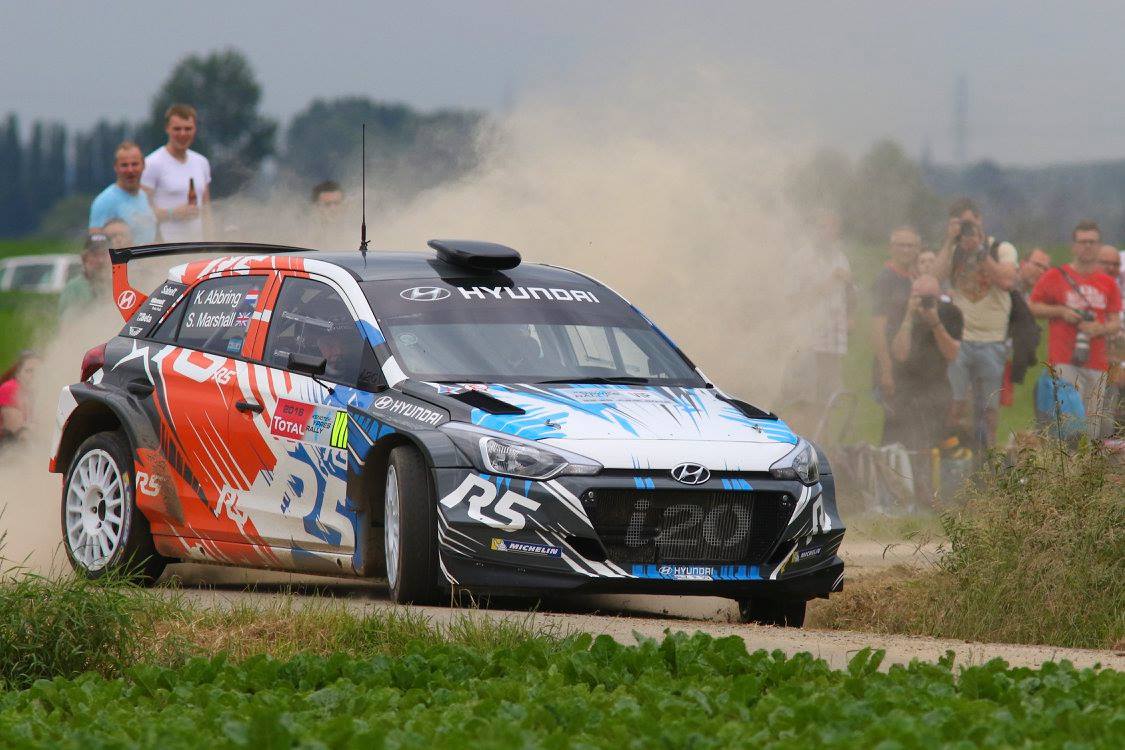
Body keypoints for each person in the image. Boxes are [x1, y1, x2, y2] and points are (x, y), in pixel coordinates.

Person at [1029, 220, 1122, 438]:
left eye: (1092, 242)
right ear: (1073, 246)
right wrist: (1062, 312)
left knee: (1090, 429)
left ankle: (1083, 460)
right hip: (1064, 360)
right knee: (1069, 425)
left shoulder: (1108, 283)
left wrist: (1099, 329)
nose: (1087, 246)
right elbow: (1033, 306)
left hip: (1097, 362)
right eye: (1082, 242)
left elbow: (1115, 322)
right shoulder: (1056, 276)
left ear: (1099, 246)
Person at [885, 275, 963, 508]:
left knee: (930, 442)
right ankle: (902, 496)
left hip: (936, 388)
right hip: (905, 389)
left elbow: (952, 353)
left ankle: (930, 495)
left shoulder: (951, 314)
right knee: (900, 443)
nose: (923, 303)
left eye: (929, 298)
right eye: (919, 297)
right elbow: (899, 353)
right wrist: (909, 317)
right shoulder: (899, 312)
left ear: (939, 297)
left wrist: (935, 322)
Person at [945, 220, 1015, 451]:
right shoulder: (952, 250)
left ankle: (989, 458)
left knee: (990, 409)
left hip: (992, 340)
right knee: (958, 404)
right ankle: (955, 456)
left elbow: (1006, 282)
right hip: (959, 340)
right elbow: (933, 277)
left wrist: (979, 250)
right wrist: (949, 242)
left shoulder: (1000, 249)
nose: (967, 233)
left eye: (971, 226)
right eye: (962, 227)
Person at [872, 226, 921, 431]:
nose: (906, 250)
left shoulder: (914, 277)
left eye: (910, 246)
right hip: (893, 364)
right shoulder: (886, 279)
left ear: (917, 249)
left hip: (913, 362)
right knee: (895, 424)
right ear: (891, 248)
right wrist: (886, 370)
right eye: (901, 245)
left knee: (914, 422)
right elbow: (877, 328)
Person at [142, 104, 211, 242]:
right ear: (167, 129)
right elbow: (141, 213)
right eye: (177, 129)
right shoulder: (151, 163)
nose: (182, 134)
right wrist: (173, 213)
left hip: (197, 246)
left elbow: (206, 209)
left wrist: (211, 241)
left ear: (195, 129)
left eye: (188, 129)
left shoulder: (201, 162)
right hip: (166, 246)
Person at [88, 141, 157, 244]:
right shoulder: (104, 201)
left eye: (134, 164)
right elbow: (94, 246)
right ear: (116, 167)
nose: (130, 170)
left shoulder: (146, 196)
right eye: (124, 165)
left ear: (143, 165)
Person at [1097, 244, 1125, 436]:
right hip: (1089, 367)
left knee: (1108, 423)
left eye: (1115, 264)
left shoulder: (1117, 294)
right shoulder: (1089, 290)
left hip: (1114, 368)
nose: (1111, 268)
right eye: (1105, 263)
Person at [58, 234, 111, 318]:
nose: (101, 260)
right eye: (95, 255)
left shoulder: (118, 285)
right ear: (84, 258)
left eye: (104, 254)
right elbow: (68, 321)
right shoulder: (74, 288)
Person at [0, 350, 39, 444]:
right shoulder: (10, 389)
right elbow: (19, 431)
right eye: (29, 371)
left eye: (38, 371)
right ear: (18, 374)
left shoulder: (35, 393)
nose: (34, 375)